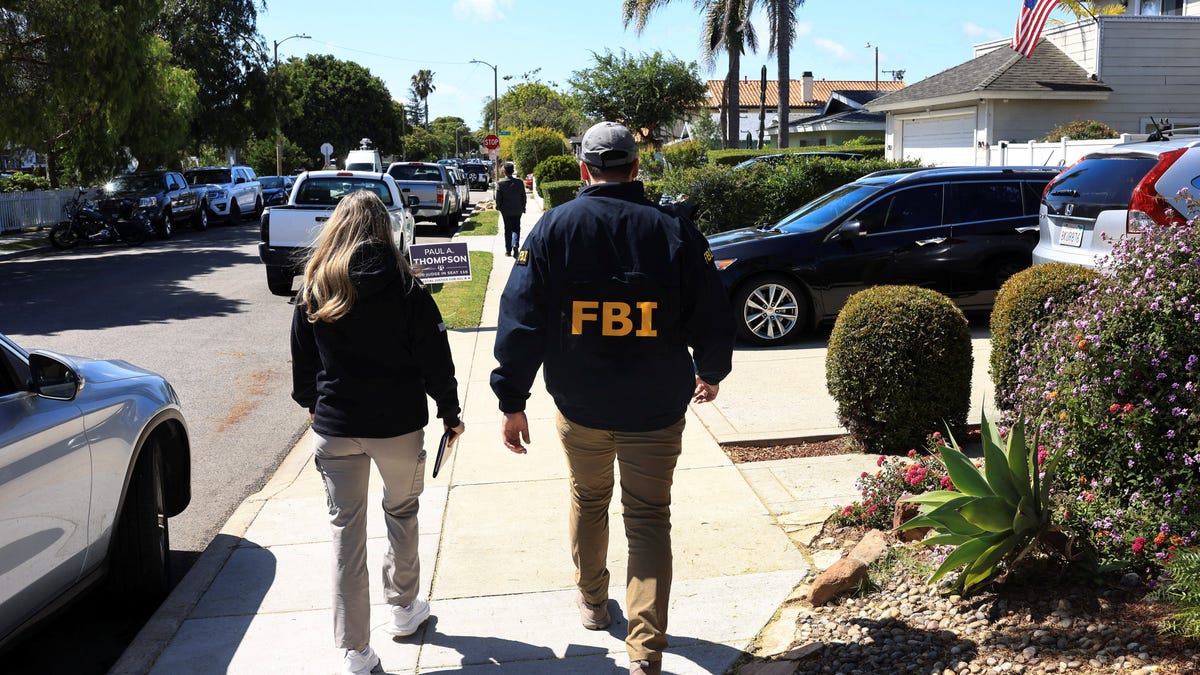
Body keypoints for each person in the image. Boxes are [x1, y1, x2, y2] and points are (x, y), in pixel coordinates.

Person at [490, 121, 734, 675]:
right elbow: (712, 311)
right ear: (636, 166)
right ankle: (645, 650)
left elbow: (520, 319)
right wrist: (712, 369)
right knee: (648, 518)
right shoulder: (673, 230)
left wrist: (512, 398)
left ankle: (594, 603)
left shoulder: (554, 228)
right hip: (656, 407)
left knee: (588, 498)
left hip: (582, 405)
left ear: (584, 170)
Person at [290, 190, 464, 675]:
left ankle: (355, 651)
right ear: (384, 229)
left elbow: (302, 368)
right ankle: (404, 609)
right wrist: (450, 413)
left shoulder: (315, 287)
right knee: (402, 512)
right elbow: (437, 361)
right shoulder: (408, 288)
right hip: (397, 428)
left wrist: (313, 408)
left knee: (346, 533)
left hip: (336, 427)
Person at [495, 162, 526, 256]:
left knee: (507, 229)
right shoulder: (519, 182)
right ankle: (515, 243)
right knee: (516, 228)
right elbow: (523, 196)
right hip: (517, 209)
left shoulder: (500, 183)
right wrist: (523, 207)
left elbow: (498, 198)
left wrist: (498, 206)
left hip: (506, 211)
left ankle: (508, 251)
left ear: (504, 171)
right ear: (512, 171)